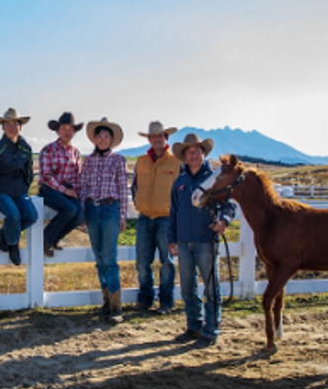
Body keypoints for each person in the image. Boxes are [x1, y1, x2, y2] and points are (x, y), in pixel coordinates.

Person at [168, 133, 237, 349]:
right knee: (188, 286)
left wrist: (224, 221)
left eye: (196, 151)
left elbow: (230, 204)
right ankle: (194, 325)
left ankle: (211, 328)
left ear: (203, 153)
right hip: (184, 241)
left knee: (210, 286)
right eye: (189, 152)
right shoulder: (179, 182)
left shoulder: (214, 179)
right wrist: (172, 239)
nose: (193, 155)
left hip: (205, 239)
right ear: (185, 156)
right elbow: (174, 212)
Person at [80, 118, 129, 323]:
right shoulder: (88, 161)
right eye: (99, 136)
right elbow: (83, 187)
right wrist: (82, 212)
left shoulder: (118, 160)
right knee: (99, 257)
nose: (102, 139)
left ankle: (117, 306)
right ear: (95, 138)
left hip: (110, 208)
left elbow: (122, 189)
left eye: (106, 136)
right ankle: (106, 301)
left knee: (109, 256)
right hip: (92, 208)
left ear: (111, 139)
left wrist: (123, 214)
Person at [131, 121, 181, 314]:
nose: (156, 139)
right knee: (142, 261)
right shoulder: (141, 161)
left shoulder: (176, 162)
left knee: (167, 262)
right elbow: (135, 186)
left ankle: (166, 302)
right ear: (149, 139)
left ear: (166, 138)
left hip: (166, 218)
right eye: (153, 137)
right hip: (145, 216)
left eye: (160, 136)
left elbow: (180, 190)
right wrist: (138, 203)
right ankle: (145, 299)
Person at [0, 108, 38, 265]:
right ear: (2, 127)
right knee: (13, 215)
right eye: (8, 124)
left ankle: (3, 234)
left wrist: (24, 189)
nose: (12, 127)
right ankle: (13, 245)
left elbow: (29, 174)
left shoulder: (26, 149)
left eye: (15, 124)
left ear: (20, 126)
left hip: (20, 191)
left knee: (32, 216)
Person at [38, 112, 84, 259]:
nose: (67, 132)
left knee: (80, 215)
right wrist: (65, 190)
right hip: (49, 189)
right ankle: (45, 239)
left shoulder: (76, 152)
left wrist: (76, 193)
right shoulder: (48, 149)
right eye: (64, 128)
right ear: (58, 130)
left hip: (67, 192)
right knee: (69, 209)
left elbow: (76, 176)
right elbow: (46, 176)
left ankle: (55, 237)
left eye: (70, 129)